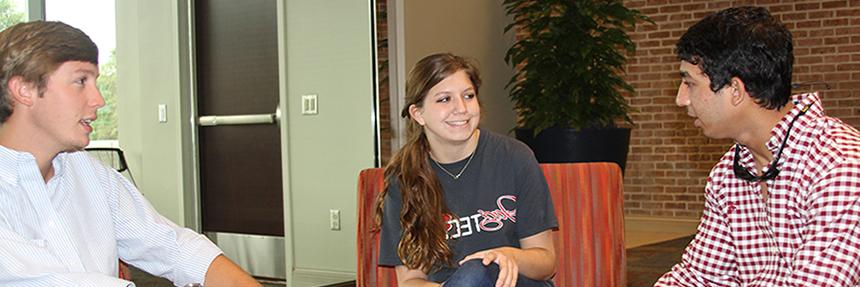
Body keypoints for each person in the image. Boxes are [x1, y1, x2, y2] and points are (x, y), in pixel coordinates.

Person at [0, 21, 261, 286]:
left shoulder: (92, 176)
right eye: (81, 81)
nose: (99, 100)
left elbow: (171, 246)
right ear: (24, 90)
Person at [656, 6, 860, 286]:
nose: (681, 100)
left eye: (689, 83)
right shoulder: (728, 174)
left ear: (735, 91)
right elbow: (699, 277)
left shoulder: (839, 165)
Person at [375, 53, 558, 287]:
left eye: (468, 96)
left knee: (478, 270)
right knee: (472, 277)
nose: (461, 108)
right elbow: (411, 280)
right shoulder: (404, 179)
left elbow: (546, 261)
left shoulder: (515, 157)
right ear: (418, 114)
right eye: (444, 99)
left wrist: (507, 256)